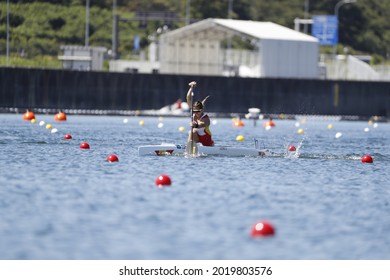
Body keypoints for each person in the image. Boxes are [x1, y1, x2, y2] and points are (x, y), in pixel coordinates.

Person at [186, 81, 214, 146]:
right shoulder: (194, 111)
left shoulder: (206, 118)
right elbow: (188, 98)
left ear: (202, 110)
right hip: (197, 138)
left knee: (194, 130)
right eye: (195, 111)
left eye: (198, 111)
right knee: (192, 131)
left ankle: (191, 146)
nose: (196, 113)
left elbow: (201, 124)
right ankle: (189, 146)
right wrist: (191, 88)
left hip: (207, 141)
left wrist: (195, 125)